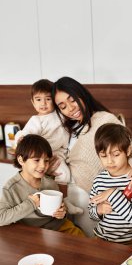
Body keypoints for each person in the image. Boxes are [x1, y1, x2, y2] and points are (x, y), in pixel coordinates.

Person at [51, 76, 132, 236]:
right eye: (62, 106)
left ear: (81, 94)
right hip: (76, 197)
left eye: (72, 100)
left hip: (107, 194)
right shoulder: (64, 130)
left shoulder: (104, 120)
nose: (69, 108)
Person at [14, 79, 82, 215]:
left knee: (65, 175)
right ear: (33, 102)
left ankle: (64, 201)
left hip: (60, 152)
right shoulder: (36, 120)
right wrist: (20, 138)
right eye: (38, 100)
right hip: (45, 155)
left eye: (48, 99)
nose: (43, 104)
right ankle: (54, 202)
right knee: (54, 176)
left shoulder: (60, 114)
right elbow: (27, 135)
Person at [0, 134, 84, 236]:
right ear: (21, 160)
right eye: (36, 160)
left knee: (82, 241)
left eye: (46, 160)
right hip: (31, 233)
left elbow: (62, 210)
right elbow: (1, 218)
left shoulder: (51, 183)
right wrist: (31, 204)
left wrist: (62, 212)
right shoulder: (11, 188)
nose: (43, 166)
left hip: (58, 227)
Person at [88, 123, 132, 247]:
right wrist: (98, 210)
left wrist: (112, 193)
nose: (109, 161)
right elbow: (91, 213)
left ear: (128, 151)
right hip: (101, 238)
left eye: (116, 155)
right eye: (104, 156)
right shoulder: (99, 180)